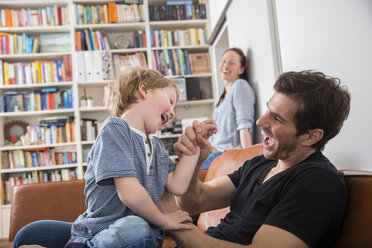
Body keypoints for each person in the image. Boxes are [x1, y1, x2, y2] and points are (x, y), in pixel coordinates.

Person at [12, 68, 217, 248]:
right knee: (30, 233)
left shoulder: (155, 144)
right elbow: (129, 194)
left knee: (139, 228)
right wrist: (163, 220)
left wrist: (195, 148)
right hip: (102, 231)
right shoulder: (115, 129)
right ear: (144, 90)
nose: (172, 113)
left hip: (144, 235)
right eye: (170, 101)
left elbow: (177, 185)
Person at [159, 70, 351, 248]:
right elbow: (195, 201)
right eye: (268, 109)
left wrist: (171, 219)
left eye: (277, 118)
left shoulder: (317, 182)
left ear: (311, 136)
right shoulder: (263, 162)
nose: (260, 121)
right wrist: (194, 161)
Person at [202, 47, 255, 169]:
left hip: (226, 155)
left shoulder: (240, 86)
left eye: (232, 63)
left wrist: (249, 164)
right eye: (224, 61)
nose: (225, 66)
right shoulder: (223, 96)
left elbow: (244, 125)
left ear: (241, 69)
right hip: (215, 153)